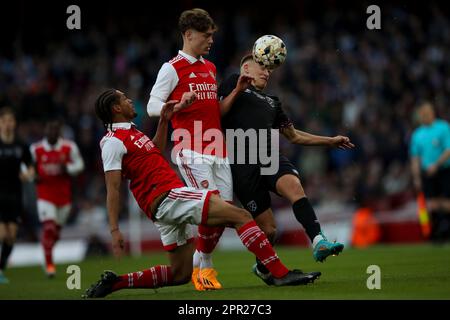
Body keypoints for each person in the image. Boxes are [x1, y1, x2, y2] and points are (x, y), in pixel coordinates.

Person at [83, 89, 321, 298]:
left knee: (180, 274)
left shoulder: (131, 134)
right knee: (241, 216)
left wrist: (164, 121)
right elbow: (112, 188)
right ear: (116, 108)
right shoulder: (112, 142)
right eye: (124, 99)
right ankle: (279, 273)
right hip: (168, 197)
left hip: (163, 205)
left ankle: (116, 283)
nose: (130, 100)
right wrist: (114, 230)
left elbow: (153, 150)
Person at [218, 54, 354, 284]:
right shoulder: (233, 82)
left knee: (294, 185)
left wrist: (329, 140)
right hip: (242, 166)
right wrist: (238, 90)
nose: (267, 72)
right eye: (261, 67)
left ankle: (318, 240)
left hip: (269, 157)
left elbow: (294, 135)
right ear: (246, 68)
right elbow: (217, 115)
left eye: (269, 69)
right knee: (269, 230)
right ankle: (264, 267)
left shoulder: (273, 102)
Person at [147, 8, 252, 291]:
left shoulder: (210, 67)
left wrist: (237, 91)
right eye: (206, 36)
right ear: (188, 34)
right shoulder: (171, 68)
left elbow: (213, 109)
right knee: (212, 207)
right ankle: (204, 271)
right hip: (190, 148)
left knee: (224, 210)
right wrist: (175, 106)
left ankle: (199, 260)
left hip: (217, 148)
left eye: (212, 36)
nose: (211, 41)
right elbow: (151, 105)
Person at [30, 118, 85, 277]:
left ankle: (46, 252)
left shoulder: (69, 147)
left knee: (56, 234)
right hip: (45, 195)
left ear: (59, 133)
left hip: (64, 197)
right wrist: (33, 176)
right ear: (45, 133)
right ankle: (49, 266)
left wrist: (67, 168)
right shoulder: (36, 149)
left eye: (55, 131)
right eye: (49, 131)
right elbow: (27, 167)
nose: (52, 134)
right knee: (49, 228)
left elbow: (80, 165)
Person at [0, 107, 34, 284]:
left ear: (14, 123)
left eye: (10, 121)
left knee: (11, 236)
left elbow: (30, 165)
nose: (8, 124)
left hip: (14, 194)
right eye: (4, 121)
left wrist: (28, 174)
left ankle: (1, 267)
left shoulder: (21, 145)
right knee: (1, 234)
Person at [410, 102, 450, 242]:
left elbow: (448, 149)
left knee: (445, 203)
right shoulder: (417, 134)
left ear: (432, 113)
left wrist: (436, 165)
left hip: (444, 170)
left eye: (425, 114)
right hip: (427, 173)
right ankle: (436, 234)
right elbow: (415, 157)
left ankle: (445, 230)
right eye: (421, 115)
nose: (423, 117)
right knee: (431, 205)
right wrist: (416, 177)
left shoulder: (443, 127)